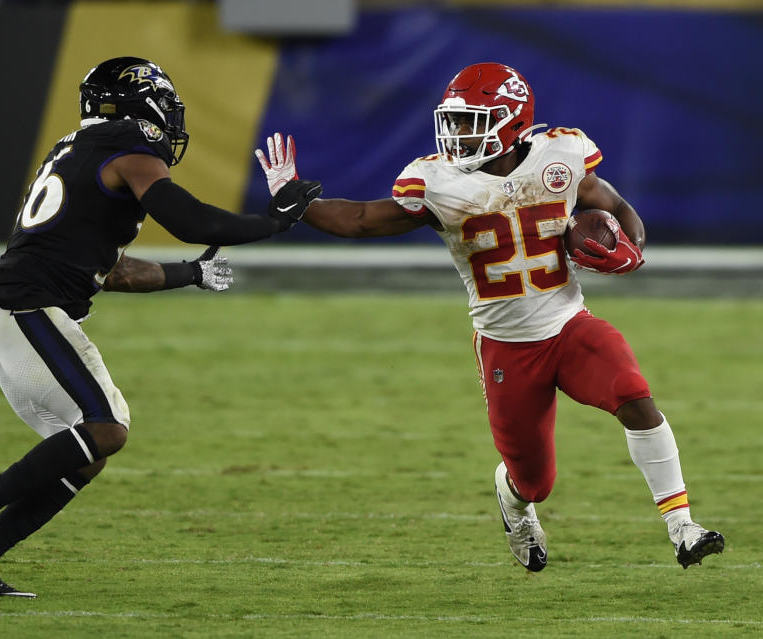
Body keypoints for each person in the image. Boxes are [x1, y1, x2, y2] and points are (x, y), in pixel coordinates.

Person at [255, 62, 724, 572]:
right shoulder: (437, 182)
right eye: (454, 121)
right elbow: (363, 220)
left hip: (569, 325)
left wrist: (633, 247)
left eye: (471, 120)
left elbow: (615, 207)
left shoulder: (559, 156)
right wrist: (295, 199)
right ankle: (514, 500)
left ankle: (682, 528)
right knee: (534, 481)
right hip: (506, 345)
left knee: (635, 397)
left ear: (514, 120)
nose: (458, 133)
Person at [0, 56, 321, 597]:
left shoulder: (78, 151)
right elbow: (191, 221)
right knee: (104, 427)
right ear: (142, 103)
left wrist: (193, 274)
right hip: (27, 305)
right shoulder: (126, 145)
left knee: (88, 451)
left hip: (20, 306)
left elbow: (105, 269)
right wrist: (275, 220)